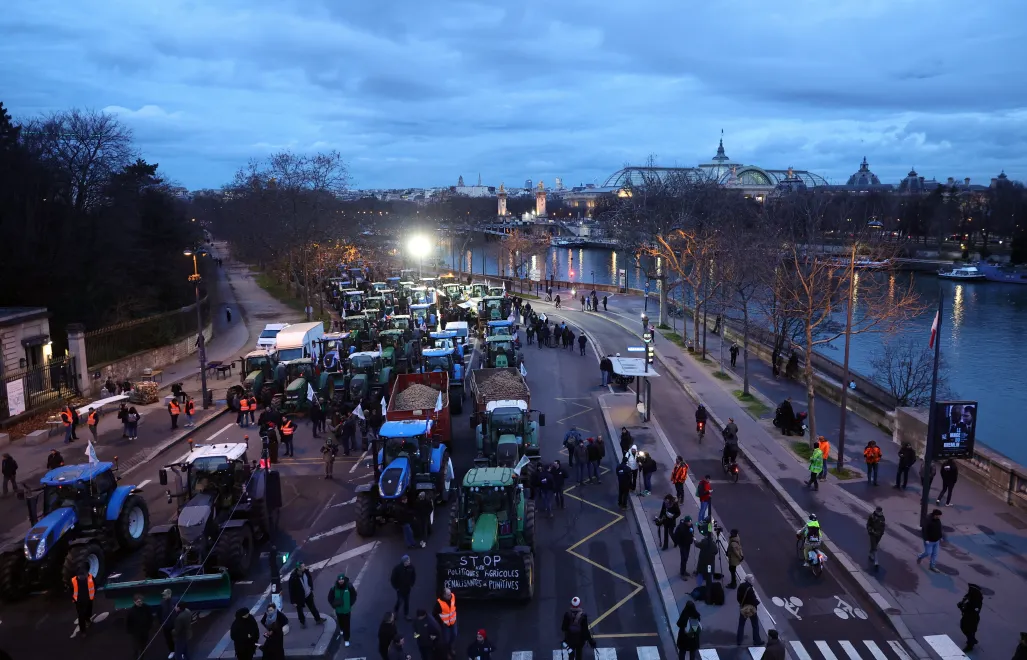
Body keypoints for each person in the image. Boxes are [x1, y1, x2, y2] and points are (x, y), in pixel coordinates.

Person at [288, 562, 325, 628]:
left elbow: (309, 579)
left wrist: (311, 587)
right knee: (300, 611)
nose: (304, 567)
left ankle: (318, 619)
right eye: (303, 566)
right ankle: (302, 623)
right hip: (299, 597)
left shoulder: (306, 572)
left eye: (304, 566)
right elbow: (291, 590)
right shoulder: (293, 577)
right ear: (299, 568)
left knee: (313, 607)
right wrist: (293, 601)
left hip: (308, 594)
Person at [327, 572, 358, 647]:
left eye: (342, 580)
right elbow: (329, 598)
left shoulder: (349, 587)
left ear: (344, 580)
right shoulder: (334, 588)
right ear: (337, 581)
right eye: (339, 580)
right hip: (338, 610)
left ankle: (346, 639)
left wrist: (350, 603)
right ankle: (341, 629)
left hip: (347, 610)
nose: (341, 581)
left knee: (347, 625)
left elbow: (354, 595)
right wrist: (333, 606)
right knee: (340, 621)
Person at [736, 575, 763, 646]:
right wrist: (757, 602)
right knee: (755, 625)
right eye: (752, 579)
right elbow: (753, 600)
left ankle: (739, 640)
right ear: (749, 580)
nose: (753, 581)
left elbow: (738, 597)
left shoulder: (741, 586)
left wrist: (741, 603)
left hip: (743, 607)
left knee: (741, 624)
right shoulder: (750, 589)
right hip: (750, 608)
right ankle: (757, 640)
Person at [125, 592, 153, 658]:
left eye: (141, 601)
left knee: (143, 644)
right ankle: (136, 654)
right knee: (136, 645)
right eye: (138, 602)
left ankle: (142, 654)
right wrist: (129, 631)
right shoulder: (131, 611)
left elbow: (150, 618)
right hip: (135, 632)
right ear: (134, 602)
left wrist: (149, 626)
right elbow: (128, 622)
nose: (140, 603)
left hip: (145, 630)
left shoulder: (147, 608)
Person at [957, 583, 983, 652]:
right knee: (969, 630)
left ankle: (970, 644)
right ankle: (972, 640)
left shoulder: (976, 601)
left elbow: (973, 610)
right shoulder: (969, 596)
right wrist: (961, 605)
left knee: (967, 629)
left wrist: (964, 608)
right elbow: (963, 602)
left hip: (972, 618)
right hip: (967, 616)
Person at [391, 555, 417, 621]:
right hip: (400, 589)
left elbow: (413, 576)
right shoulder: (397, 568)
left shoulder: (411, 567)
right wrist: (396, 588)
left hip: (407, 588)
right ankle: (396, 611)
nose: (409, 562)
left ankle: (406, 614)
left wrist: (411, 584)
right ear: (404, 562)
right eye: (407, 561)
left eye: (409, 560)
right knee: (400, 601)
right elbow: (393, 579)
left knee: (406, 602)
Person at [433, 587, 458, 653]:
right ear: (444, 595)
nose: (450, 596)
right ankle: (446, 651)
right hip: (445, 624)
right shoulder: (439, 603)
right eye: (448, 595)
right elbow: (434, 613)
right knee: (446, 639)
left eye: (450, 594)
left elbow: (454, 606)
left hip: (453, 621)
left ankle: (450, 647)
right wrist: (441, 622)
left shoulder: (453, 596)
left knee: (454, 635)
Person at [71, 571, 95, 636]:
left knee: (88, 611)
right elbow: (71, 590)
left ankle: (87, 619)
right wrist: (74, 599)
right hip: (79, 601)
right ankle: (83, 631)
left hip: (88, 599)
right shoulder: (73, 580)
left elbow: (94, 586)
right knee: (81, 616)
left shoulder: (90, 577)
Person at [159, 588, 177, 656]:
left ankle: (180, 651)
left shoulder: (176, 600)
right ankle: (172, 651)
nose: (164, 596)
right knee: (168, 639)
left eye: (165, 595)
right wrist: (162, 622)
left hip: (175, 624)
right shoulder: (162, 602)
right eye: (163, 595)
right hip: (166, 625)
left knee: (178, 638)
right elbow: (159, 613)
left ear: (170, 594)